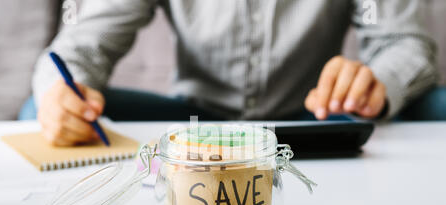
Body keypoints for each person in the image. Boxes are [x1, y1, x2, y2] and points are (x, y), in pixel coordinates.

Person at [30, 0, 439, 146]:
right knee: (41, 110)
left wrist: (376, 84)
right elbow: (84, 44)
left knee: (439, 105)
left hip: (310, 118)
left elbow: (403, 41)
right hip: (194, 120)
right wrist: (60, 92)